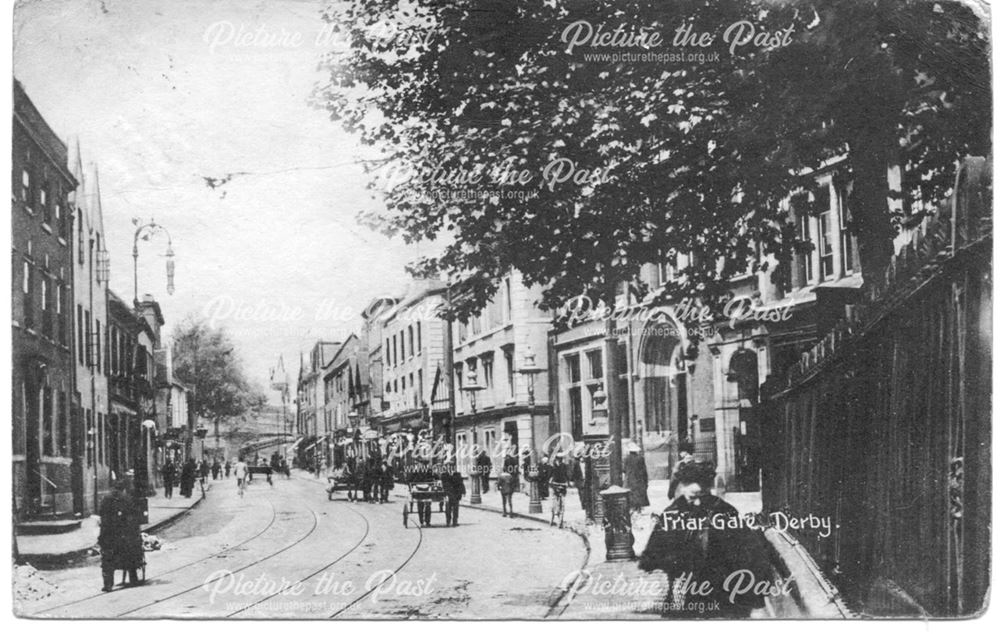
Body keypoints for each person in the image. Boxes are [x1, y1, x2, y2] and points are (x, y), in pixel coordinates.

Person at [639, 461, 771, 618]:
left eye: (702, 492)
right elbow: (656, 548)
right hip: (684, 589)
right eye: (691, 492)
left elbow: (747, 551)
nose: (697, 497)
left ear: (709, 488)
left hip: (719, 592)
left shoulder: (724, 511)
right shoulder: (672, 513)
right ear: (682, 486)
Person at [98, 478, 144, 591]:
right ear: (124, 488)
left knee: (107, 559)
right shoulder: (127, 499)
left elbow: (101, 515)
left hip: (109, 535)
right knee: (131, 553)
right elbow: (133, 518)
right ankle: (133, 578)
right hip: (124, 536)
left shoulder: (106, 499)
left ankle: (108, 584)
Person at [625, 441, 650, 510]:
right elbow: (644, 470)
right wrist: (646, 481)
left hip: (630, 479)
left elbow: (624, 469)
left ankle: (633, 508)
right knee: (639, 494)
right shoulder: (640, 458)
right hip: (639, 478)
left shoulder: (626, 459)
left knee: (631, 494)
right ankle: (638, 508)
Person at [571, 450, 594, 523]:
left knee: (586, 494)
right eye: (581, 457)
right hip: (580, 481)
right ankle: (583, 505)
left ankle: (586, 507)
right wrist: (572, 481)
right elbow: (574, 472)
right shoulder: (576, 464)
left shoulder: (587, 464)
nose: (582, 458)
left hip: (586, 481)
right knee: (581, 493)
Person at [441, 462, 466, 527]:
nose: (450, 468)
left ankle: (455, 521)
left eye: (451, 466)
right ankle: (448, 521)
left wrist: (463, 492)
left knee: (456, 509)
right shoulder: (444, 475)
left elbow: (461, 483)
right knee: (448, 509)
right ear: (446, 467)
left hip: (456, 493)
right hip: (448, 493)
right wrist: (445, 494)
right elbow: (444, 485)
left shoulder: (457, 474)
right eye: (448, 466)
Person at [549, 453, 570, 528]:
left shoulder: (564, 466)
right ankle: (552, 515)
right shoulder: (553, 466)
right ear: (556, 459)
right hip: (555, 484)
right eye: (558, 458)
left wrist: (568, 482)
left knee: (562, 503)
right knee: (554, 501)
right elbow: (550, 475)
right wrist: (550, 481)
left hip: (562, 484)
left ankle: (560, 519)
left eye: (560, 459)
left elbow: (566, 474)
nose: (559, 460)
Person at [498, 452, 518, 517]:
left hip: (503, 490)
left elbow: (499, 484)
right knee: (510, 501)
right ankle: (511, 513)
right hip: (509, 490)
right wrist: (513, 489)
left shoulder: (501, 476)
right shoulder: (510, 476)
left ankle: (504, 513)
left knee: (504, 502)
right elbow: (513, 483)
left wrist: (499, 488)